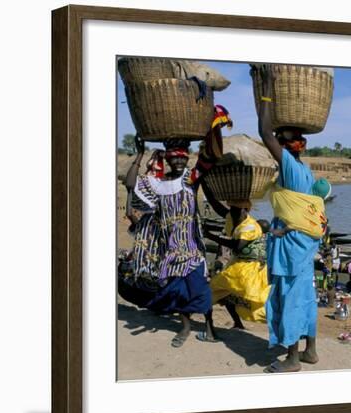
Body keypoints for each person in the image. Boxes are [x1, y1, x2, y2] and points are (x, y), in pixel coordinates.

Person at [118, 106, 233, 348]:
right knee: (177, 292)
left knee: (201, 289)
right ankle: (186, 327)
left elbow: (212, 156)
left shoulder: (190, 179)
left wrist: (213, 130)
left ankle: (210, 329)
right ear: (168, 158)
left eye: (184, 156)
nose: (180, 160)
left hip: (191, 248)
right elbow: (130, 184)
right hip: (170, 250)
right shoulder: (158, 185)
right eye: (175, 156)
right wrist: (139, 153)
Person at [256, 64, 327, 373]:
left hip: (291, 246)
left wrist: (269, 87)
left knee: (289, 297)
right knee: (305, 295)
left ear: (284, 148)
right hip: (304, 243)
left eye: (280, 140)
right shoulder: (305, 170)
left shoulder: (290, 167)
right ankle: (310, 351)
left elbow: (263, 130)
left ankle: (293, 358)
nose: (275, 141)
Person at [201, 190, 271, 332]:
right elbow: (218, 207)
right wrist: (206, 187)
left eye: (235, 210)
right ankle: (237, 324)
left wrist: (210, 236)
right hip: (240, 268)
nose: (232, 212)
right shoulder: (237, 219)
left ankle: (209, 332)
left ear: (245, 210)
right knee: (226, 296)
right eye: (232, 209)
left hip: (246, 271)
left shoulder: (250, 226)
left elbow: (237, 245)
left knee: (209, 293)